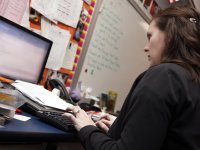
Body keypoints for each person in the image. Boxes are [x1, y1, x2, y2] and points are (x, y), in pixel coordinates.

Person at [63, 5, 200, 150]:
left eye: (150, 36)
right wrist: (125, 128)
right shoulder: (192, 79)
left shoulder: (165, 76)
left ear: (170, 36)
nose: (145, 47)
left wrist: (87, 128)